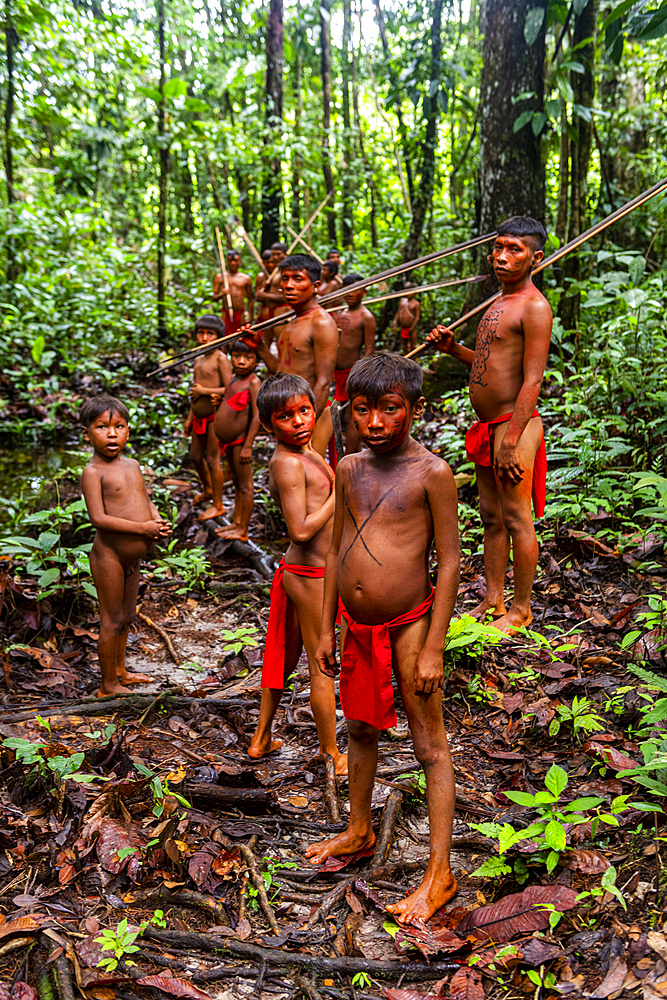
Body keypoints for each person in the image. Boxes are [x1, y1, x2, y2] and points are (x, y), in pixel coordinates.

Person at [304, 353, 460, 924]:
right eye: (364, 410)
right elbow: (335, 549)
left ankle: (439, 873)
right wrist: (326, 625)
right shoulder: (348, 469)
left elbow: (448, 565)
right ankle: (359, 828)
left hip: (411, 625)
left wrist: (435, 645)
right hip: (355, 626)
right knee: (361, 727)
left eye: (389, 409)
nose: (375, 422)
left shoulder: (432, 474)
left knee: (429, 744)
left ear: (415, 408)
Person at [426, 216, 552, 633]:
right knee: (491, 518)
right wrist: (452, 349)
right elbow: (486, 364)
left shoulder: (534, 307)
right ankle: (494, 599)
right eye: (498, 247)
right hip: (488, 426)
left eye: (514, 249)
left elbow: (532, 379)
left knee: (517, 518)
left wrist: (511, 439)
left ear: (536, 257)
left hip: (513, 426)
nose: (501, 256)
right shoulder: (497, 302)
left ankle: (521, 609)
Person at [248, 373, 347, 775]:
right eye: (286, 417)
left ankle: (261, 739)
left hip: (313, 571)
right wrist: (341, 492)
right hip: (310, 573)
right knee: (321, 662)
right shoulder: (287, 463)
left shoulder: (307, 450)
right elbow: (301, 529)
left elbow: (328, 410)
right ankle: (331, 752)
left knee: (283, 659)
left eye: (304, 411)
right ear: (270, 425)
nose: (299, 421)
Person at [80, 395, 171, 697]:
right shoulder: (93, 473)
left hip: (134, 558)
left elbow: (145, 501)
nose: (111, 433)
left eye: (119, 426)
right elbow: (98, 518)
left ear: (128, 431)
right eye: (102, 427)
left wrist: (156, 521)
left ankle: (120, 671)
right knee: (112, 619)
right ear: (86, 434)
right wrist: (141, 528)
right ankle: (108, 686)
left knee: (128, 615)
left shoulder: (132, 465)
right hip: (109, 555)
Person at [242, 254, 338, 459]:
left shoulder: (321, 323)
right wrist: (260, 348)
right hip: (290, 416)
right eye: (285, 279)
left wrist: (307, 424)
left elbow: (323, 382)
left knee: (312, 481)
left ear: (315, 286)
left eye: (297, 279)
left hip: (310, 417)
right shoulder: (292, 322)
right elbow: (282, 374)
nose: (288, 285)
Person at [213, 339, 262, 542]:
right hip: (229, 442)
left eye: (247, 357)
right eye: (237, 357)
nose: (241, 361)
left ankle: (243, 528)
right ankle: (236, 522)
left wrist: (248, 445)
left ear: (256, 360)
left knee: (246, 485)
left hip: (241, 441)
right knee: (236, 482)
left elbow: (258, 415)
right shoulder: (233, 379)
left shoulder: (253, 382)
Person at [183, 315, 231, 521]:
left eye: (210, 334)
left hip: (214, 416)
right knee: (195, 456)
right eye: (201, 333)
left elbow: (230, 389)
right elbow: (196, 391)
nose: (204, 338)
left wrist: (205, 390)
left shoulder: (220, 358)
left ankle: (218, 504)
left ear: (219, 337)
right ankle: (209, 489)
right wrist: (188, 418)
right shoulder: (198, 358)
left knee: (213, 460)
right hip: (198, 416)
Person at [333, 272, 376, 454]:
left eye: (355, 290)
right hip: (335, 372)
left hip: (352, 371)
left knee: (352, 415)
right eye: (347, 289)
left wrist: (361, 374)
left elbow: (369, 349)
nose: (350, 294)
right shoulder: (340, 313)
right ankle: (344, 452)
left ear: (364, 292)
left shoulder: (366, 317)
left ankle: (350, 456)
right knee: (338, 413)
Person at [256, 242, 290, 350]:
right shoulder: (272, 272)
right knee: (266, 342)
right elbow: (258, 296)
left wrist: (265, 295)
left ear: (285, 254)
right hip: (270, 312)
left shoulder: (287, 271)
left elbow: (286, 297)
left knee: (282, 342)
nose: (275, 257)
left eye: (278, 254)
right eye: (273, 254)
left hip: (282, 310)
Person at [213, 250, 254, 337]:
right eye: (230, 260)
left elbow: (250, 299)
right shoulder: (220, 277)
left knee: (240, 337)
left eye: (235, 260)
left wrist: (251, 316)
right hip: (226, 313)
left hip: (240, 314)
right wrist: (222, 294)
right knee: (224, 337)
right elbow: (214, 298)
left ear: (239, 262)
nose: (233, 263)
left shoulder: (245, 278)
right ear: (227, 262)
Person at [392, 283, 420, 355]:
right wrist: (395, 325)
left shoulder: (416, 303)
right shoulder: (402, 301)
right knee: (404, 346)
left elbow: (417, 317)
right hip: (403, 327)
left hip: (412, 328)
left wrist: (412, 327)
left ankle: (414, 362)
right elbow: (398, 313)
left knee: (413, 346)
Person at [255, 248, 273, 324]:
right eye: (267, 262)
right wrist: (265, 288)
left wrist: (265, 295)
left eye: (272, 262)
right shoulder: (261, 277)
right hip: (265, 311)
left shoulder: (280, 275)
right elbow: (257, 296)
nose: (270, 265)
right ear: (263, 263)